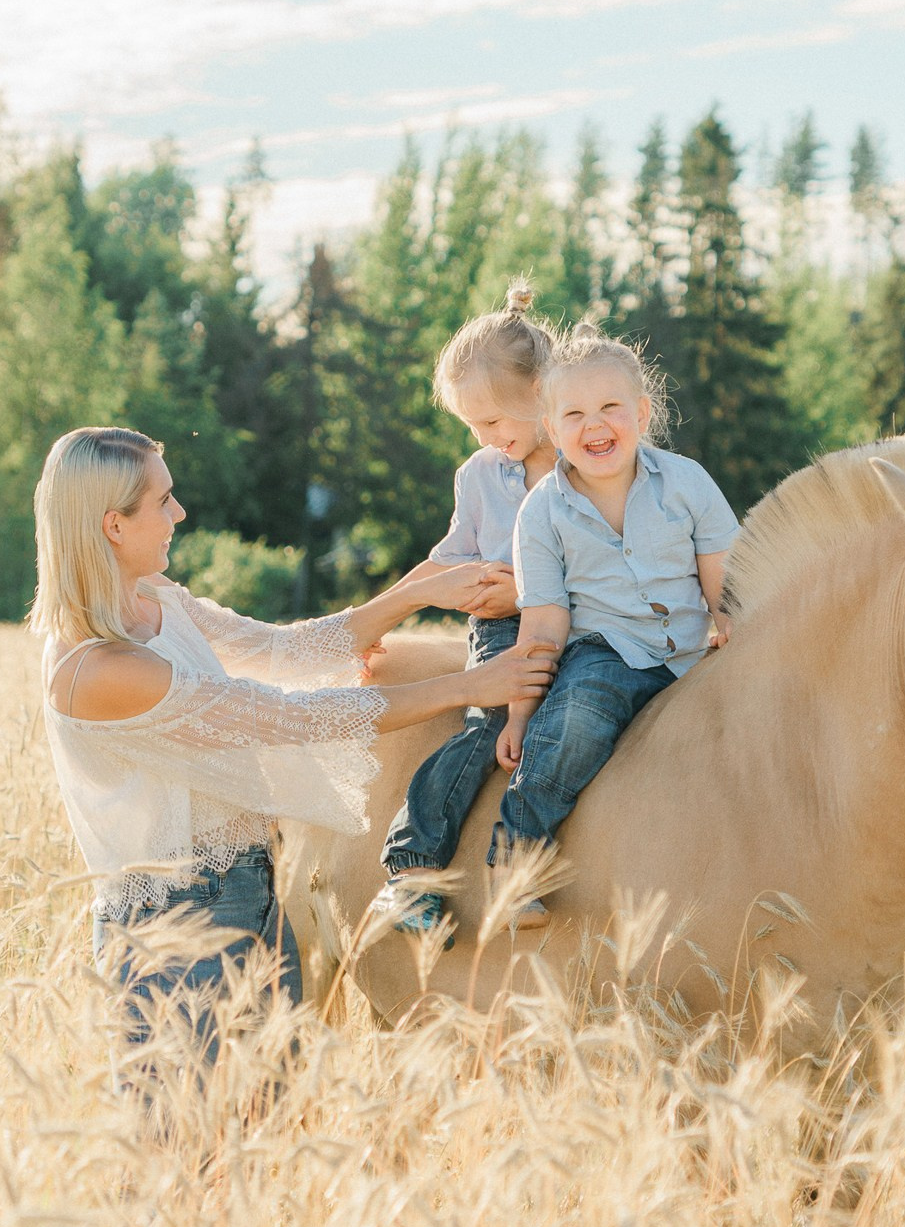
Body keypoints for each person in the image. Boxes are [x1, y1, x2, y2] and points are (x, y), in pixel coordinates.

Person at [29, 426, 555, 1071]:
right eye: (163, 501)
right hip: (171, 931)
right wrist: (467, 686)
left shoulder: (155, 602)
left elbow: (283, 651)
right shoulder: (99, 670)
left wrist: (415, 594)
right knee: (183, 1147)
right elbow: (288, 718)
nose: (179, 513)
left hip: (255, 892)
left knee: (266, 1129)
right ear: (113, 524)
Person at [492, 327, 740, 929]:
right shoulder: (542, 513)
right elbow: (545, 623)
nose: (594, 425)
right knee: (575, 721)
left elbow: (725, 584)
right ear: (551, 430)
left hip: (689, 653)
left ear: (642, 413)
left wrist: (733, 629)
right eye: (574, 413)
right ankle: (516, 862)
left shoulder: (687, 483)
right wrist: (522, 714)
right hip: (608, 653)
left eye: (610, 407)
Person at [377, 280, 558, 942]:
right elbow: (447, 559)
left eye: (493, 422)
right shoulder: (481, 473)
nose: (485, 438)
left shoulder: (585, 469)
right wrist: (391, 608)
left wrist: (534, 589)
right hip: (502, 631)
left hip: (576, 624)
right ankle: (412, 866)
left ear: (543, 393)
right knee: (488, 729)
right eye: (473, 427)